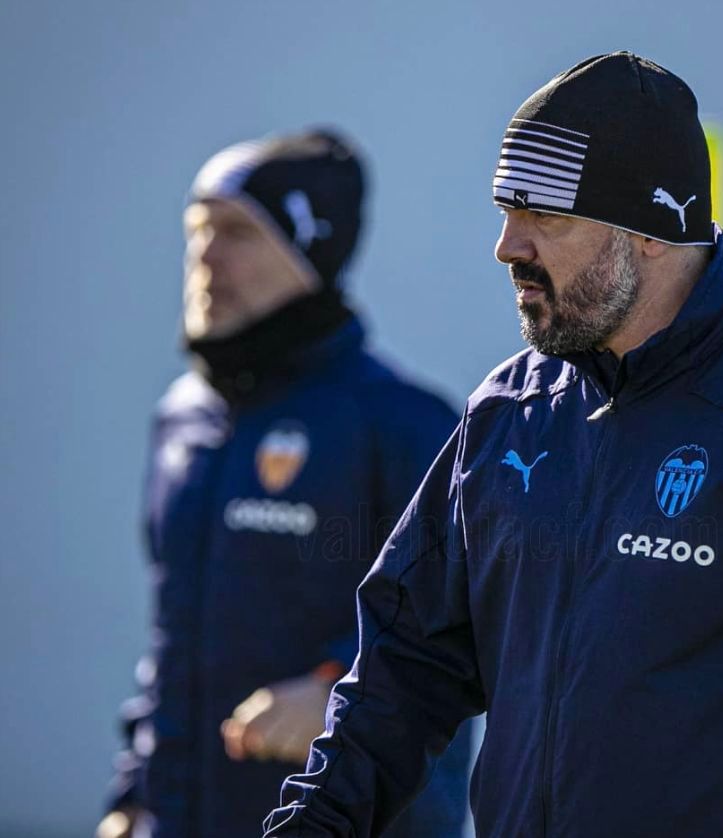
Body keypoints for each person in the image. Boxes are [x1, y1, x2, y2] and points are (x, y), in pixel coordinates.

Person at [262, 54, 723, 837]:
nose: (507, 246)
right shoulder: (509, 412)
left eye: (544, 214)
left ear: (651, 230)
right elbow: (400, 676)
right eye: (505, 209)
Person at [98, 129, 472, 838]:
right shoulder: (182, 420)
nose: (205, 257)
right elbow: (174, 641)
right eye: (197, 230)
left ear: (312, 251)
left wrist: (337, 691)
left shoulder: (403, 424)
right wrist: (131, 801)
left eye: (237, 232)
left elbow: (466, 629)